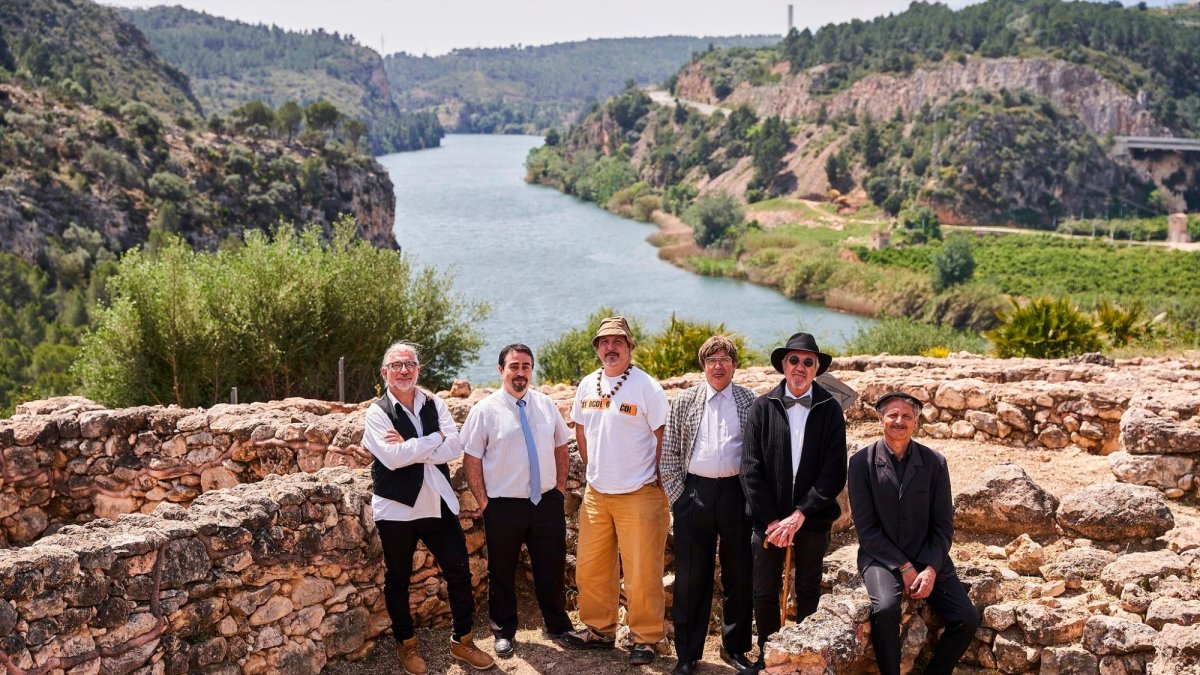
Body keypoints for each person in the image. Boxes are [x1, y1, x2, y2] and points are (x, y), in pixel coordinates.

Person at [362, 341, 495, 674]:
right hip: (395, 508)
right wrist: (434, 440)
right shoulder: (376, 412)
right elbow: (392, 460)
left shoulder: (435, 404)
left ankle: (462, 642)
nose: (404, 370)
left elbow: (455, 446)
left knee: (460, 573)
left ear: (418, 369)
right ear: (384, 372)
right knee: (398, 581)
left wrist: (414, 447)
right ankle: (406, 646)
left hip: (437, 502)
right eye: (396, 365)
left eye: (410, 364)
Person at [560, 316, 670, 666]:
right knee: (591, 568)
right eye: (604, 342)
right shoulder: (587, 385)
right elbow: (580, 429)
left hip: (639, 492)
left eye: (617, 341)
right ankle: (599, 629)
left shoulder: (646, 386)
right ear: (597, 348)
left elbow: (662, 436)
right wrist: (595, 469)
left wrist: (654, 477)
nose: (610, 347)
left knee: (641, 572)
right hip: (597, 492)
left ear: (629, 346)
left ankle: (646, 637)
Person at [847, 392, 980, 675]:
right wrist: (905, 567)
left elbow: (943, 525)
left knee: (966, 618)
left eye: (906, 416)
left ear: (916, 422)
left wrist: (931, 568)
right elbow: (867, 530)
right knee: (884, 610)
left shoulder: (935, 462)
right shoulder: (861, 463)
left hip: (928, 554)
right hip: (880, 557)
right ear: (879, 418)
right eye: (892, 415)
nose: (899, 421)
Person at [740, 332, 847, 672]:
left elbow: (833, 472)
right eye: (794, 360)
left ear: (816, 368)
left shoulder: (830, 410)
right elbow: (750, 468)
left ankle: (806, 659)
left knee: (808, 588)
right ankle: (768, 656)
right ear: (784, 365)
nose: (800, 367)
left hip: (812, 519)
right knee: (765, 591)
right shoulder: (762, 407)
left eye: (808, 362)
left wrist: (800, 515)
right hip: (768, 520)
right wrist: (773, 521)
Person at [460, 344, 574, 658]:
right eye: (514, 366)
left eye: (525, 366)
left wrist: (559, 490)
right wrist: (485, 503)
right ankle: (503, 631)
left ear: (531, 370)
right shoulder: (485, 410)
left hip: (546, 503)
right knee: (502, 570)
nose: (520, 372)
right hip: (503, 506)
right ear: (501, 370)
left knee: (551, 566)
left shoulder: (546, 405)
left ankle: (558, 625)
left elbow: (561, 447)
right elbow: (471, 458)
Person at [660, 336, 757, 675]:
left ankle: (736, 649)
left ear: (734, 364)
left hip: (736, 494)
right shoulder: (685, 400)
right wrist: (679, 497)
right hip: (694, 493)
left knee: (740, 574)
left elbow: (758, 453)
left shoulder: (750, 400)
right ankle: (687, 655)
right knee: (690, 577)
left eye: (725, 359)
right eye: (712, 359)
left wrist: (753, 498)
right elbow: (669, 452)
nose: (718, 365)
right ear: (703, 365)